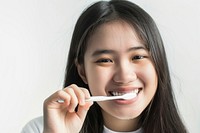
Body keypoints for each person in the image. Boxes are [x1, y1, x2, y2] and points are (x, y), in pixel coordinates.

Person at [21, 0, 188, 133]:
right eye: (105, 60)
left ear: (158, 65)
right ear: (82, 71)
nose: (124, 76)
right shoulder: (40, 129)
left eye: (137, 57)